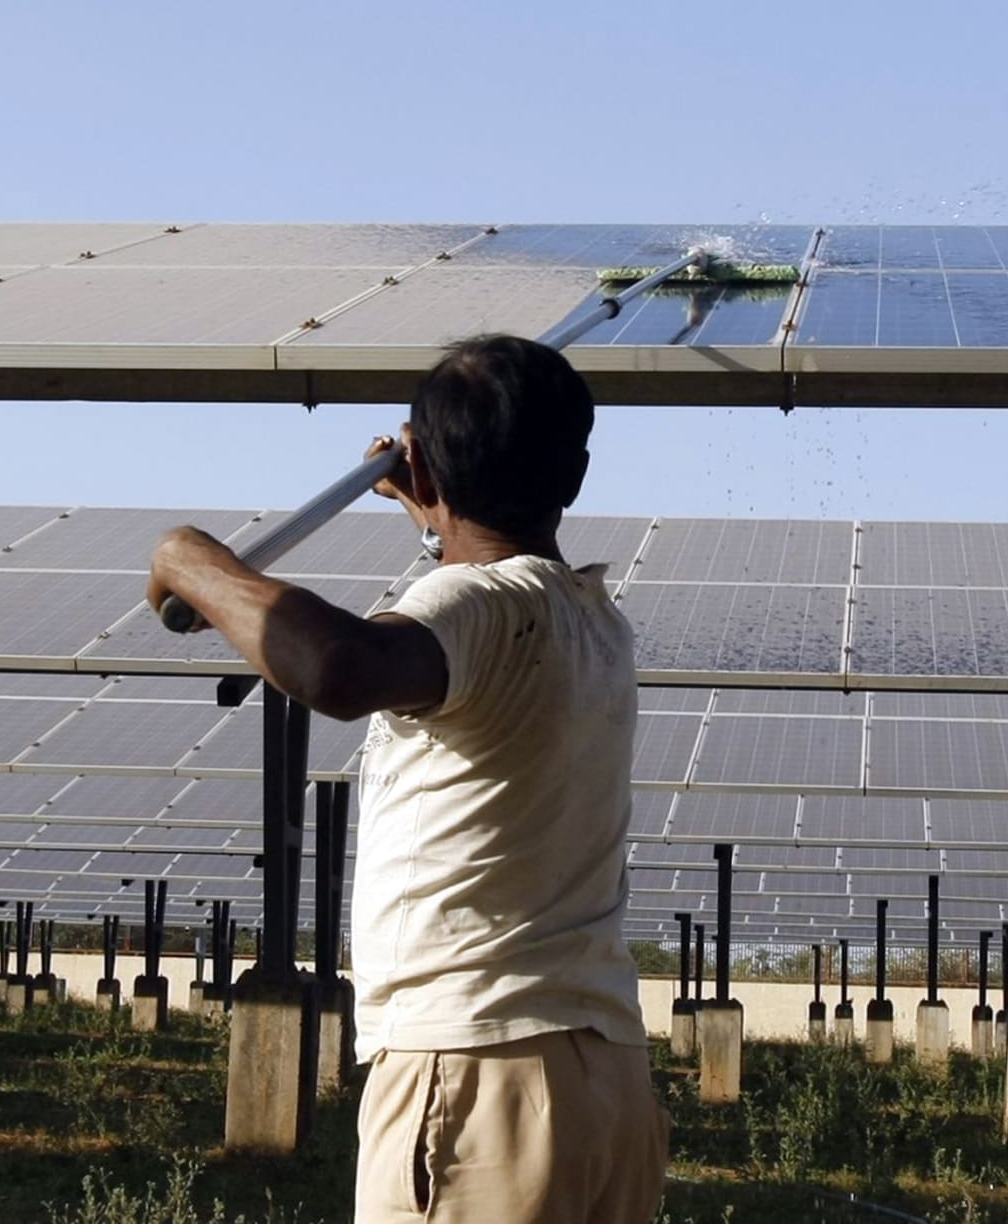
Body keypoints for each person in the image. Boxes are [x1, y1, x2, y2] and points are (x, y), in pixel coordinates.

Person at [146, 334, 667, 1224]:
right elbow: (483, 601)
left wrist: (195, 562)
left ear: (421, 459)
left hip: (474, 1071)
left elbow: (340, 667)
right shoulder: (591, 620)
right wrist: (437, 520)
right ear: (575, 476)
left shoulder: (479, 609)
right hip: (601, 1074)